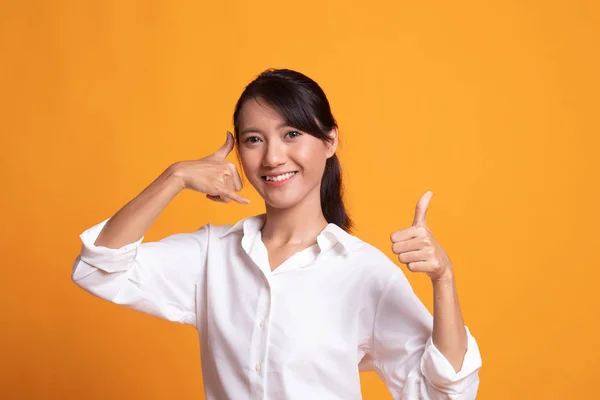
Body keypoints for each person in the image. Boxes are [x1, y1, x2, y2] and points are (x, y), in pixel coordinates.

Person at [71, 68, 482, 399]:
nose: (271, 157)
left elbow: (443, 394)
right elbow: (99, 267)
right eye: (254, 140)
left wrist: (443, 278)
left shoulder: (364, 273)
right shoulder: (212, 254)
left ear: (329, 140)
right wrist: (174, 177)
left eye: (291, 134)